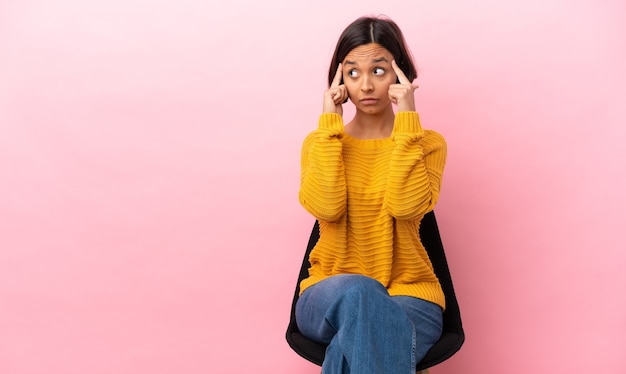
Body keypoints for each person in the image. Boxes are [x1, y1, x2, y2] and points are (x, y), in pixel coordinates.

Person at [295, 15, 447, 374]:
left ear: (401, 76)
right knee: (360, 293)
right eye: (352, 73)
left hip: (411, 295)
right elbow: (326, 209)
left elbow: (405, 207)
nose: (365, 85)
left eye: (378, 71)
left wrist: (408, 123)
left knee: (354, 346)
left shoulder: (427, 144)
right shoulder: (320, 143)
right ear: (339, 80)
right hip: (328, 292)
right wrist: (330, 127)